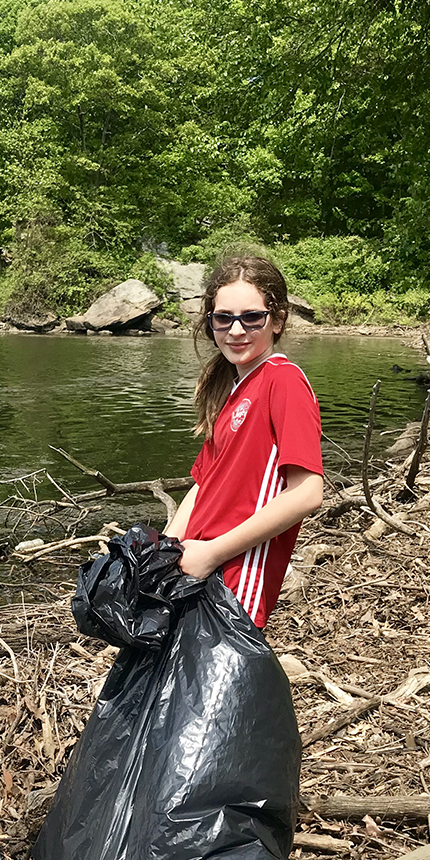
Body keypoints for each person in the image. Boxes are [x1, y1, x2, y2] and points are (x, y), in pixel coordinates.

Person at [165, 255, 323, 627]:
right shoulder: (232, 390)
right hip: (198, 569)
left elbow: (307, 493)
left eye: (252, 317)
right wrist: (167, 547)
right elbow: (203, 486)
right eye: (224, 318)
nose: (236, 330)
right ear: (210, 323)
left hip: (235, 582)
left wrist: (212, 554)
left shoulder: (283, 381)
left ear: (278, 320)